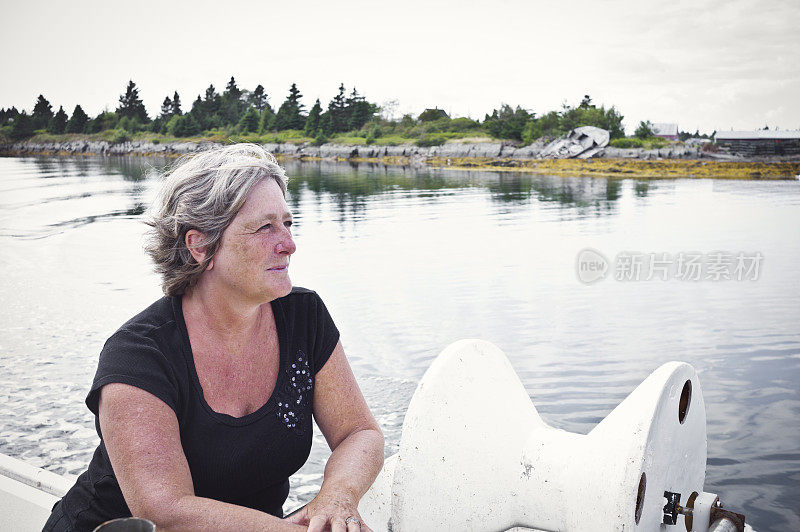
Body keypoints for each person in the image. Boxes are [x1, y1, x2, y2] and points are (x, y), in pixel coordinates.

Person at [44, 144, 384, 531]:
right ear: (199, 245)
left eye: (288, 224)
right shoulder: (138, 356)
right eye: (264, 227)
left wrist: (336, 496)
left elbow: (360, 433)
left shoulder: (303, 316)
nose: (288, 243)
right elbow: (166, 513)